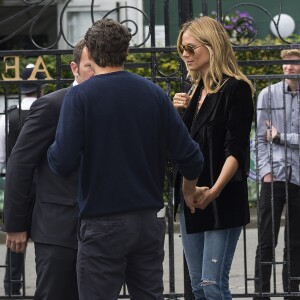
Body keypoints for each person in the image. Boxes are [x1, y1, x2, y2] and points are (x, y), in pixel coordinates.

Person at [47, 18, 204, 300]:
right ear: (127, 52)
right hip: (146, 222)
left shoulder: (79, 97)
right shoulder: (154, 93)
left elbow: (61, 162)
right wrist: (189, 188)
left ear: (91, 54)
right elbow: (191, 157)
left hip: (100, 222)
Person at [3, 39, 94, 300]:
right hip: (58, 230)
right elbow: (20, 163)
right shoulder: (52, 106)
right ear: (74, 68)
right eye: (90, 66)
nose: (96, 72)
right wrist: (16, 224)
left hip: (102, 227)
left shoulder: (113, 103)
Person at [172, 16, 254, 299]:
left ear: (212, 45)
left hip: (221, 196)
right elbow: (183, 148)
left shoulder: (236, 88)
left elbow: (237, 149)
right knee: (198, 287)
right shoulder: (194, 93)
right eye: (182, 48)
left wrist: (215, 190)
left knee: (212, 284)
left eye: (191, 48)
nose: (185, 54)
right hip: (191, 197)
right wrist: (179, 114)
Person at [254, 49, 300, 300]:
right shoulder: (268, 95)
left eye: (294, 63)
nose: (288, 68)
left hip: (299, 178)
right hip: (274, 176)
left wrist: (281, 137)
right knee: (265, 242)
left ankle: (292, 292)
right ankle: (261, 294)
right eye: (286, 63)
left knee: (295, 243)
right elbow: (260, 139)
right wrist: (266, 172)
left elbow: (273, 137)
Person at [0, 64, 46, 296]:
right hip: (48, 186)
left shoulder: (9, 118)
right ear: (41, 88)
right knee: (47, 243)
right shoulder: (50, 111)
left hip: (18, 186)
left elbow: (3, 157)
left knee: (15, 243)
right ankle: (44, 288)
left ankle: (12, 288)